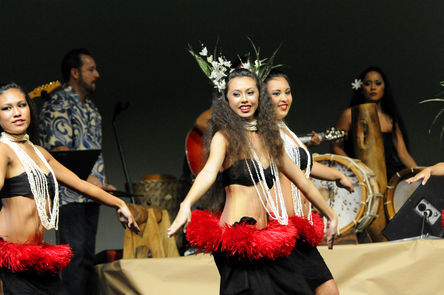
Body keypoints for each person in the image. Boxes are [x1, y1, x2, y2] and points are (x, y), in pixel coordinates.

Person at [168, 68, 338, 295]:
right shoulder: (225, 137)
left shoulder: (269, 139)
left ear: (259, 96)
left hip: (266, 240)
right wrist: (186, 204)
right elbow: (208, 172)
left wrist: (331, 214)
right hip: (237, 242)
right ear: (226, 99)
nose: (244, 99)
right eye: (236, 94)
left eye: (250, 92)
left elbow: (302, 181)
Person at [0, 82, 139, 294]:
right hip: (12, 263)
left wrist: (118, 203)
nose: (17, 113)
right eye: (7, 108)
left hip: (39, 261)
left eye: (22, 105)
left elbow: (82, 184)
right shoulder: (3, 150)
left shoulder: (40, 153)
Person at [265, 69, 354, 294]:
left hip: (300, 231)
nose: (284, 98)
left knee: (329, 290)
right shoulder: (263, 134)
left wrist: (338, 176)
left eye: (287, 92)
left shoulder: (285, 130)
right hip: (280, 229)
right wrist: (329, 213)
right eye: (276, 93)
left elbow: (304, 165)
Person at [39, 48, 115, 295]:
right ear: (74, 73)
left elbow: (93, 153)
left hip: (91, 194)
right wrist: (89, 179)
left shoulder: (91, 109)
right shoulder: (58, 103)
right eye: (90, 69)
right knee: (75, 257)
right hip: (70, 196)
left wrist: (102, 183)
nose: (97, 74)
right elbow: (58, 153)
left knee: (86, 258)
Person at [332, 66, 417, 180]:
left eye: (378, 83)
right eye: (367, 83)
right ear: (361, 89)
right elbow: (335, 147)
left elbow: (403, 154)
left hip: (386, 176)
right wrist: (354, 168)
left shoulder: (390, 119)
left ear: (384, 87)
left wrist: (421, 172)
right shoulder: (350, 115)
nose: (373, 88)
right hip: (358, 177)